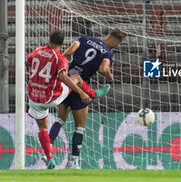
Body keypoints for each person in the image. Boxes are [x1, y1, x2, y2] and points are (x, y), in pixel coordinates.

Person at [27, 31, 109, 169]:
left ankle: (49, 158)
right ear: (62, 43)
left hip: (34, 97)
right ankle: (94, 95)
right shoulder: (60, 58)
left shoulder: (37, 50)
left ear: (49, 39)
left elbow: (27, 62)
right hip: (51, 98)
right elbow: (63, 77)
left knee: (42, 128)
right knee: (76, 78)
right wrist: (81, 93)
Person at [47, 28, 126, 169]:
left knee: (60, 119)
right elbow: (103, 69)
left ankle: (48, 148)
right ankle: (73, 162)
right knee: (80, 126)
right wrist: (109, 77)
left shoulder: (85, 39)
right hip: (81, 87)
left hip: (67, 81)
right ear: (116, 41)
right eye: (118, 44)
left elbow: (67, 53)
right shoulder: (107, 53)